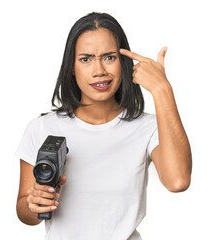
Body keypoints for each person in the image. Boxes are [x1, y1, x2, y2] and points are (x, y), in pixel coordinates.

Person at [15, 12, 192, 240]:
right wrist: (35, 204)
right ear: (71, 66)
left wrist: (162, 90)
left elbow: (178, 181)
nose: (99, 70)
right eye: (86, 59)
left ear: (123, 63)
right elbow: (23, 212)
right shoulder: (43, 128)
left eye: (109, 57)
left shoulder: (148, 128)